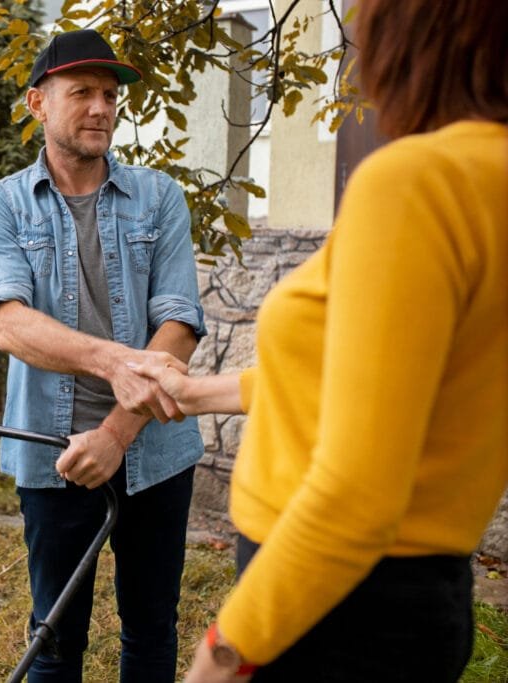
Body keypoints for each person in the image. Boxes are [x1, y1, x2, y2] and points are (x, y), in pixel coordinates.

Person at [128, 1, 508, 680]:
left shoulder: (418, 181)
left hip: (333, 603)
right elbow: (370, 381)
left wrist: (226, 650)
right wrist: (192, 392)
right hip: (419, 598)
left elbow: (357, 495)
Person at [0, 29, 206, 682]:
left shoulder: (160, 197)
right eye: (82, 92)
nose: (101, 107)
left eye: (109, 94)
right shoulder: (2, 204)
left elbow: (180, 323)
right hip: (54, 456)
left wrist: (115, 433)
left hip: (156, 450)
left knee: (152, 629)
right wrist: (116, 364)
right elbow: (10, 325)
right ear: (38, 103)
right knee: (53, 638)